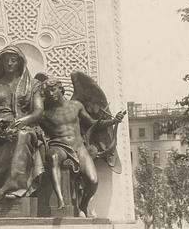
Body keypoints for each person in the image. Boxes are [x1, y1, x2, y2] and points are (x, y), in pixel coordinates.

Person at [39, 78, 126, 217]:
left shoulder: (76, 105)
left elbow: (92, 123)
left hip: (79, 147)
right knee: (52, 156)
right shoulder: (44, 114)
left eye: (53, 89)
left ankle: (83, 205)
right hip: (58, 145)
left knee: (93, 181)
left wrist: (113, 121)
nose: (51, 93)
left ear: (60, 88)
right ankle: (61, 200)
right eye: (47, 91)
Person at [0, 46, 45, 200]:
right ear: (1, 63)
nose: (10, 63)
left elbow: (38, 110)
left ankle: (14, 188)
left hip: (21, 124)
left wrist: (24, 120)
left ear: (20, 62)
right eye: (6, 60)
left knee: (22, 137)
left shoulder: (32, 84)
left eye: (14, 60)